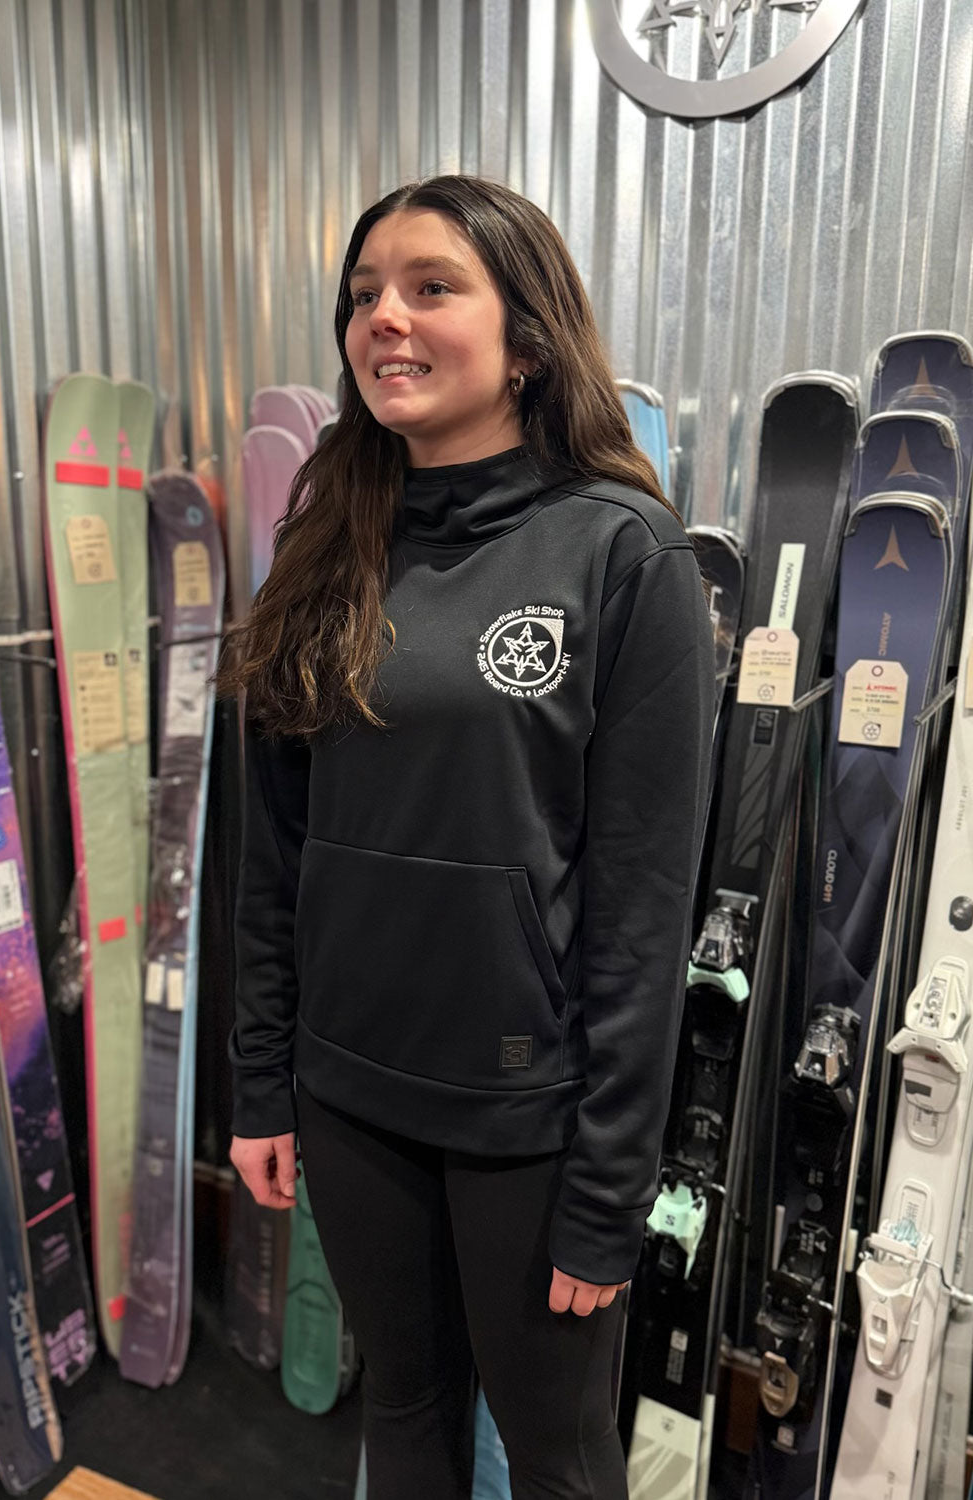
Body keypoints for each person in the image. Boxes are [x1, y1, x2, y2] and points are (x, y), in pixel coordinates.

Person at [221, 174, 715, 1500]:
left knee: (557, 1457)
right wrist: (263, 1082)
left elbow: (643, 912)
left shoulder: (623, 555)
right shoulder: (324, 549)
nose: (383, 318)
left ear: (528, 337)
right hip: (350, 1094)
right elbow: (275, 856)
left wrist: (609, 1187)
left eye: (430, 287)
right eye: (363, 295)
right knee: (405, 1417)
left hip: (527, 1121)